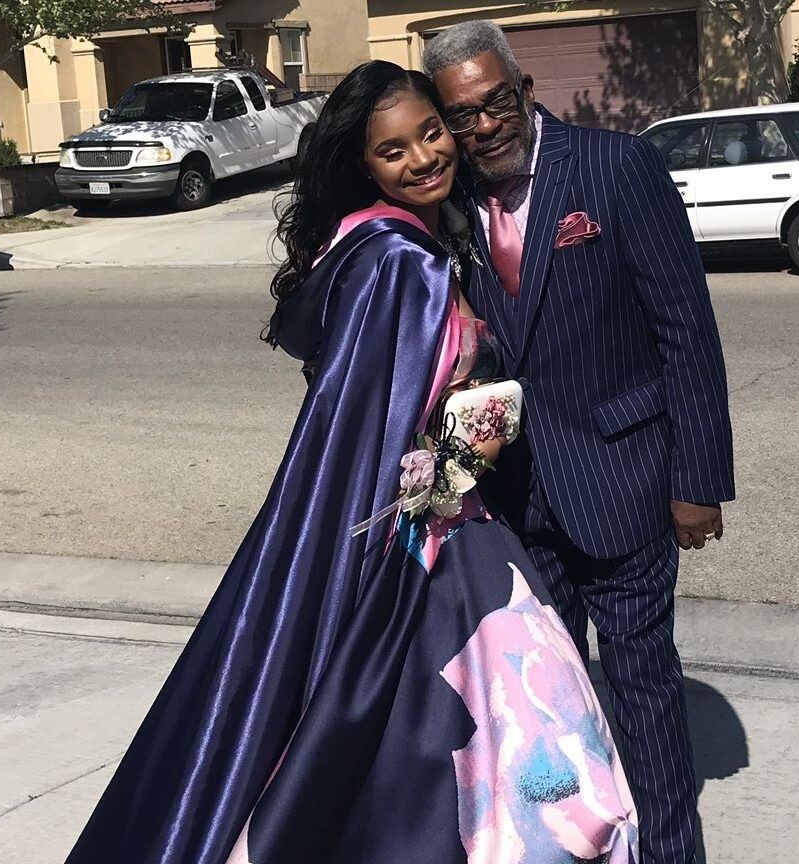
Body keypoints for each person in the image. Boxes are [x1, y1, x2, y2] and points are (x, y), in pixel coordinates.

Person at [64, 61, 638, 864]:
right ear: (363, 165)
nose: (423, 158)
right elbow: (374, 424)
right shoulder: (401, 263)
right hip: (427, 536)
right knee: (506, 746)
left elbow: (378, 409)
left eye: (431, 133)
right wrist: (470, 440)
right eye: (393, 150)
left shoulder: (379, 246)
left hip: (439, 517)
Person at [424, 22, 735, 864]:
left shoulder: (615, 167)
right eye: (462, 116)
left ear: (524, 91)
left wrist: (697, 479)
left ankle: (672, 853)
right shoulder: (448, 205)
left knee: (642, 693)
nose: (483, 126)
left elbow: (685, 331)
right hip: (520, 501)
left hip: (625, 480)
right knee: (551, 705)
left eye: (496, 102)